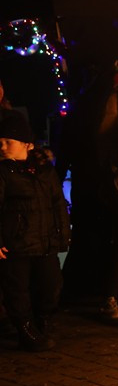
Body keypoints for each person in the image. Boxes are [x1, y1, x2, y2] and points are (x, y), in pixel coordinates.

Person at [0, 112, 70, 351]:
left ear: (27, 144)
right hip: (16, 243)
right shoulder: (3, 172)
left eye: (8, 141)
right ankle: (26, 330)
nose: (3, 146)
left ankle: (43, 322)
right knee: (17, 290)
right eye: (1, 141)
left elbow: (58, 203)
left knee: (51, 284)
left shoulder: (44, 170)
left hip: (44, 242)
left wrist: (62, 236)